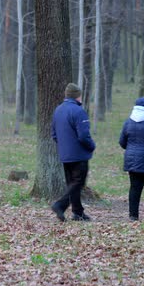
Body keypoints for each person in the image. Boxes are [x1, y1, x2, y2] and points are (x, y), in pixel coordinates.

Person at [50, 83, 96, 222]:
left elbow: (54, 134)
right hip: (79, 154)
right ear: (77, 95)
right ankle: (60, 205)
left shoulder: (58, 110)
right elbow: (83, 136)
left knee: (72, 183)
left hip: (65, 154)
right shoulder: (78, 111)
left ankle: (78, 212)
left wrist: (65, 146)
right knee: (78, 183)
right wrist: (92, 146)